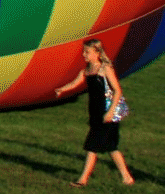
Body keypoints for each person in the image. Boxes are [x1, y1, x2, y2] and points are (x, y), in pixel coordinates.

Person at [52, 38, 134, 186]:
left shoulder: (105, 69)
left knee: (91, 146)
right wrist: (62, 89)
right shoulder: (86, 70)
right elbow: (75, 83)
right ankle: (127, 177)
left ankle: (82, 180)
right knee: (111, 147)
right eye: (84, 51)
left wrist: (110, 112)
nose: (84, 54)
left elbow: (117, 90)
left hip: (107, 114)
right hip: (96, 113)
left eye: (87, 52)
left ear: (97, 53)